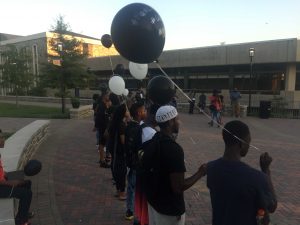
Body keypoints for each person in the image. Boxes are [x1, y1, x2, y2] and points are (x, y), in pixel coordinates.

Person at [143, 105, 207, 225]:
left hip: (154, 203)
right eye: (177, 119)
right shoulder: (174, 149)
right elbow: (178, 187)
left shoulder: (153, 140)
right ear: (171, 122)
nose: (179, 122)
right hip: (168, 211)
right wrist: (200, 172)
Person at [207, 120, 277, 225]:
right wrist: (266, 170)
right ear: (241, 144)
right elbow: (272, 206)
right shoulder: (255, 178)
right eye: (248, 142)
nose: (249, 146)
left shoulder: (211, 168)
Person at [134, 104, 159, 225]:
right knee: (146, 206)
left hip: (140, 171)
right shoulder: (151, 133)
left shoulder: (142, 126)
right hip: (147, 174)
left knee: (141, 203)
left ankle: (138, 219)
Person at [0, 133, 33, 225]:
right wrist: (13, 183)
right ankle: (21, 221)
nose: (4, 139)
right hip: (1, 187)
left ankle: (23, 214)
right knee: (26, 194)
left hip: (2, 180)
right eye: (1, 138)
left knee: (27, 183)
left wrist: (6, 174)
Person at [124, 102, 147, 220]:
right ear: (139, 113)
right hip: (136, 164)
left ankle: (129, 210)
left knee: (131, 187)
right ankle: (135, 212)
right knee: (135, 188)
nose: (146, 112)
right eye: (144, 110)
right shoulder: (138, 129)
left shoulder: (129, 126)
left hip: (130, 162)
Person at [108, 104, 130, 200]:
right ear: (123, 113)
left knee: (116, 168)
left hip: (113, 149)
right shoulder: (121, 125)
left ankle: (118, 190)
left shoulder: (113, 122)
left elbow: (106, 134)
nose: (128, 112)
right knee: (121, 171)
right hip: (120, 151)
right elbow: (123, 141)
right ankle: (121, 192)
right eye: (127, 110)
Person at [93, 92, 111, 168]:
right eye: (107, 96)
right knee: (102, 144)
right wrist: (96, 126)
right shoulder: (101, 106)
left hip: (104, 127)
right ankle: (102, 161)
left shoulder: (104, 105)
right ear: (104, 97)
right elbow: (98, 117)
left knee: (102, 143)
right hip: (103, 128)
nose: (108, 97)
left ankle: (103, 159)